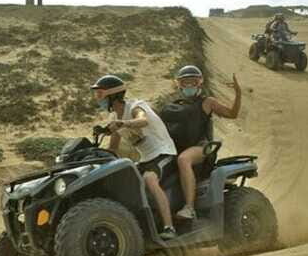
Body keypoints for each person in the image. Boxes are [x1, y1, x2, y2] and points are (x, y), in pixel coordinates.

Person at [91, 74, 179, 240]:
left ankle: (169, 227)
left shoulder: (135, 106)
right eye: (96, 95)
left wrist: (124, 124)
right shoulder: (115, 117)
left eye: (100, 95)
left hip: (163, 153)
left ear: (113, 95)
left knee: (149, 179)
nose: (98, 99)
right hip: (145, 158)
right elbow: (113, 149)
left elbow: (143, 120)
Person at [170, 65, 242, 222]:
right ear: (179, 85)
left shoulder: (207, 102)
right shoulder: (176, 105)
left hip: (202, 147)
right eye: (185, 83)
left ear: (199, 83)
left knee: (183, 159)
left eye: (192, 82)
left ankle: (189, 208)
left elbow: (232, 113)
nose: (188, 86)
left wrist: (238, 93)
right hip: (179, 148)